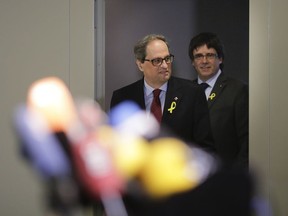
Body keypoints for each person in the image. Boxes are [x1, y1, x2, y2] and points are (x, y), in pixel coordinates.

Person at [110, 34, 214, 152]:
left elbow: (206, 147)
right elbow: (116, 148)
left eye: (167, 59)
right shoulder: (123, 97)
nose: (165, 65)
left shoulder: (192, 93)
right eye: (157, 61)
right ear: (140, 64)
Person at [188, 32, 248, 168]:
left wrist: (237, 176)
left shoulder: (238, 90)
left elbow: (246, 141)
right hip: (194, 177)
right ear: (192, 62)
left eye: (210, 55)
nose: (204, 61)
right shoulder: (186, 91)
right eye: (198, 56)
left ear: (220, 58)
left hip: (227, 176)